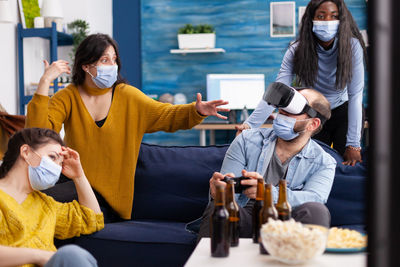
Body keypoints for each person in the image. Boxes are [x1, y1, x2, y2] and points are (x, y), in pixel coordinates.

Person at [25, 34, 229, 221]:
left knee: (37, 206)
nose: (112, 65)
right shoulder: (67, 96)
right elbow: (37, 135)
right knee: (29, 202)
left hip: (108, 200)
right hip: (71, 185)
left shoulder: (127, 96)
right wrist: (45, 82)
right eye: (105, 60)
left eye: (114, 60)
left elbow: (167, 115)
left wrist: (197, 110)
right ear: (86, 66)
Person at [236, 0, 367, 166]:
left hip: (344, 111)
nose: (327, 22)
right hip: (313, 113)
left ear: (342, 20)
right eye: (321, 16)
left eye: (334, 16)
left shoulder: (352, 46)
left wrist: (353, 144)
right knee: (312, 165)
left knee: (348, 165)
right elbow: (278, 92)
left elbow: (355, 96)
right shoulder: (296, 49)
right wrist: (248, 125)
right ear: (311, 19)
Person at [198, 88, 336, 238]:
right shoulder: (246, 140)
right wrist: (220, 192)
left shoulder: (324, 162)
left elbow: (315, 198)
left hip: (289, 224)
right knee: (218, 207)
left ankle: (300, 259)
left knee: (317, 211)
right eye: (281, 112)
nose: (281, 116)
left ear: (313, 124)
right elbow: (228, 195)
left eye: (289, 113)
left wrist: (268, 193)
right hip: (246, 216)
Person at [0, 128, 104, 267]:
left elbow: (91, 220)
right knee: (69, 255)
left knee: (72, 255)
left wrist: (79, 176)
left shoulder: (46, 204)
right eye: (53, 157)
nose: (56, 168)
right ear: (26, 152)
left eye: (60, 163)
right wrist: (39, 256)